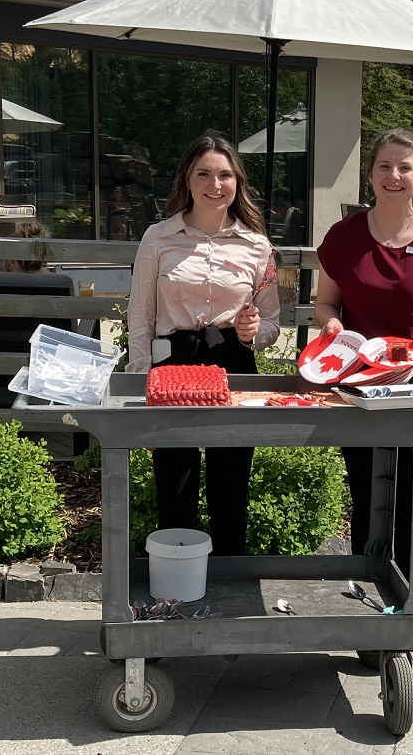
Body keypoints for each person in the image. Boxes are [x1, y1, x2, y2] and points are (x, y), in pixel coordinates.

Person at [314, 128, 413, 571]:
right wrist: (330, 322)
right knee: (365, 488)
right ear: (370, 175)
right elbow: (326, 302)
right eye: (385, 165)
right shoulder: (343, 236)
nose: (394, 175)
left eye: (405, 167)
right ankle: (367, 583)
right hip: (360, 381)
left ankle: (408, 593)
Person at [127, 132, 280, 556]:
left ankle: (229, 587)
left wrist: (254, 331)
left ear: (238, 182)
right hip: (172, 366)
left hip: (234, 366)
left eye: (225, 175)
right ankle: (176, 590)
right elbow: (140, 318)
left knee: (231, 488)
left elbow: (270, 325)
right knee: (174, 485)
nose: (216, 185)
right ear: (188, 180)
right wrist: (139, 387)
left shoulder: (258, 246)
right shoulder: (157, 239)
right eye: (205, 174)